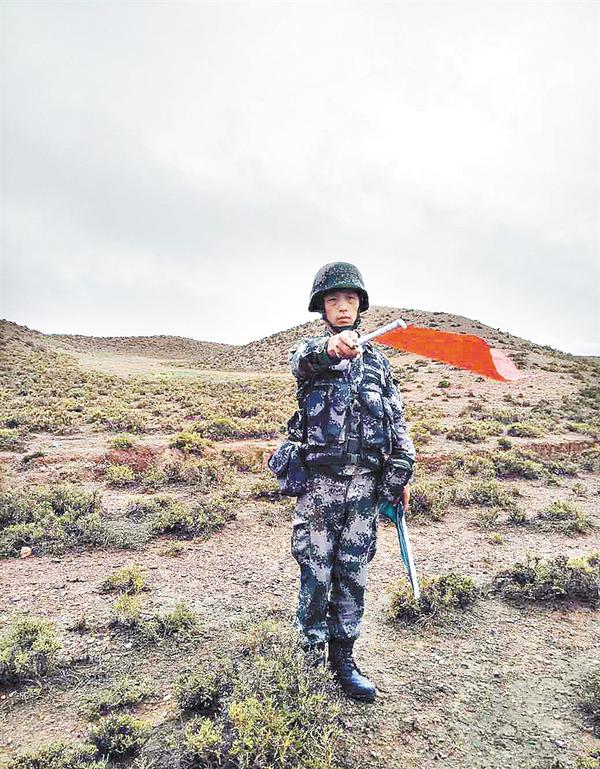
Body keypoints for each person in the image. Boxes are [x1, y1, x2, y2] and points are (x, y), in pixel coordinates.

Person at [286, 262, 416, 703]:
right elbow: (303, 360)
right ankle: (310, 658)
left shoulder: (378, 363)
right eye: (333, 300)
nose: (342, 307)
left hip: (364, 489)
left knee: (352, 575)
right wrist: (332, 349)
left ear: (360, 305)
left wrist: (401, 471)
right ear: (321, 308)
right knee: (316, 575)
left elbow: (396, 420)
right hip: (319, 489)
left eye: (350, 299)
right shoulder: (310, 354)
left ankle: (344, 659)